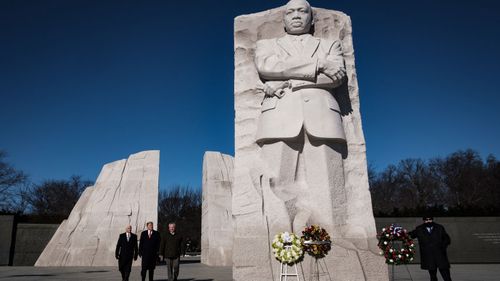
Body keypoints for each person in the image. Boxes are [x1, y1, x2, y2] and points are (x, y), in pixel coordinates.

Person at [254, 0, 347, 233]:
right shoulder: (267, 45)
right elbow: (267, 68)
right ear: (283, 19)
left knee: (328, 184)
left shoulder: (330, 44)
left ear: (312, 18)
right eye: (290, 12)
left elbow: (336, 78)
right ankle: (281, 239)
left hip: (323, 116)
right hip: (279, 117)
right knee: (277, 183)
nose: (296, 16)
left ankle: (333, 236)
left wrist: (287, 78)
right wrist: (319, 64)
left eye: (302, 11)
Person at [409, 216, 452, 281]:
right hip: (429, 256)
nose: (428, 221)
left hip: (440, 255)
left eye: (430, 219)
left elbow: (447, 239)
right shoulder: (419, 229)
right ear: (423, 220)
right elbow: (410, 235)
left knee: (446, 276)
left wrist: (442, 247)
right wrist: (397, 235)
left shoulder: (439, 227)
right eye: (426, 220)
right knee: (433, 276)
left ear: (432, 219)